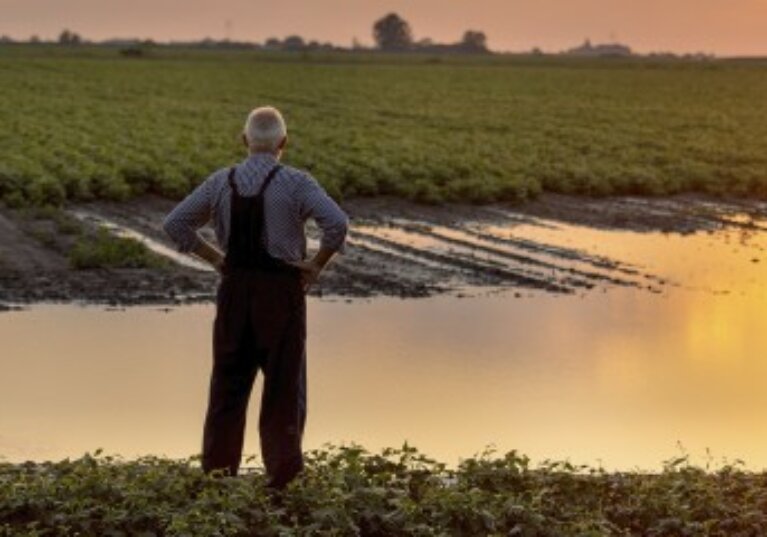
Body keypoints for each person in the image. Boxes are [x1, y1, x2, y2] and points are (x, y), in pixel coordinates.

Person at [162, 106, 348, 488]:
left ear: (245, 140)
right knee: (283, 388)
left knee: (227, 387)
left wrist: (216, 259)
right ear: (284, 142)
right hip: (281, 294)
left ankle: (217, 479)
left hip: (235, 292)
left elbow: (176, 223)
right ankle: (283, 483)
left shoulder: (221, 181)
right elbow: (337, 223)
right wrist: (316, 265)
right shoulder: (297, 182)